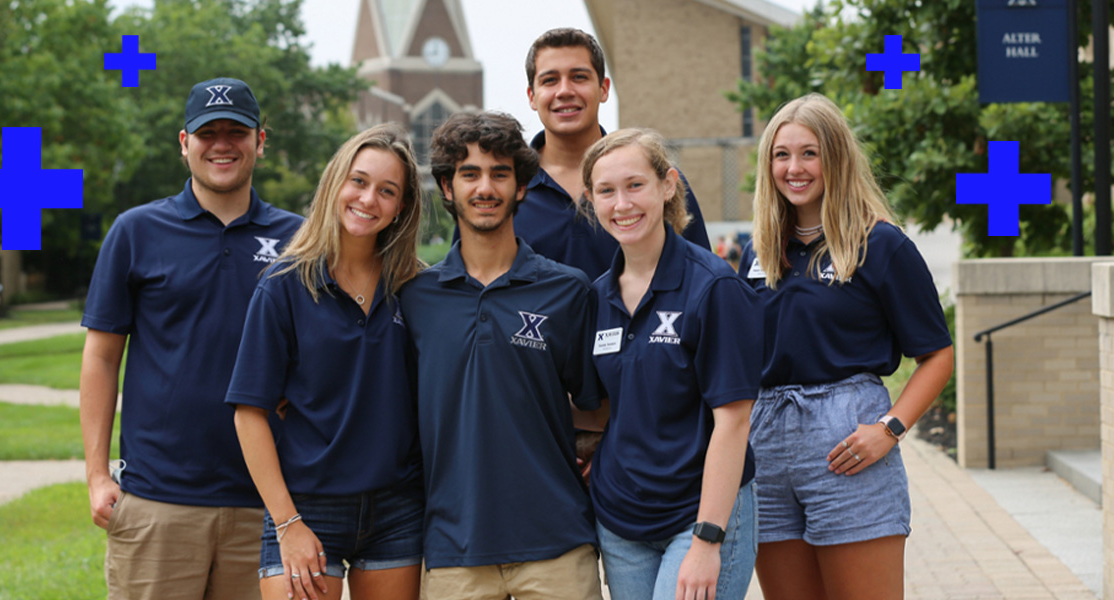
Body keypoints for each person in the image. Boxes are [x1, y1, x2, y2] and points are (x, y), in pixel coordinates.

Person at [80, 77, 304, 600]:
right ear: (185, 143)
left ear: (261, 141)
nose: (222, 144)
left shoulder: (301, 239)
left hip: (268, 506)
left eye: (237, 131)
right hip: (159, 502)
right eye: (208, 132)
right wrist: (96, 475)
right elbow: (101, 357)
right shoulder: (136, 231)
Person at [738, 93, 954, 600]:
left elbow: (937, 354)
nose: (794, 168)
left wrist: (890, 429)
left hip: (846, 440)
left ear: (835, 156)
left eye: (809, 153)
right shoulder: (760, 249)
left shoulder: (880, 245)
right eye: (781, 154)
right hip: (766, 445)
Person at [400, 110, 604, 600]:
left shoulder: (568, 291)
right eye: (469, 174)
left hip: (557, 544)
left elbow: (600, 404)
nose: (485, 188)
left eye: (499, 173)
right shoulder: (414, 298)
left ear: (523, 187)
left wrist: (597, 449)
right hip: (454, 549)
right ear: (447, 189)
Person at [226, 124, 424, 600]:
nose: (368, 198)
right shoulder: (283, 287)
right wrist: (287, 523)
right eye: (358, 181)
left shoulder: (416, 289)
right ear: (335, 184)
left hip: (398, 507)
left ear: (400, 208)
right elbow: (249, 412)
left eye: (387, 190)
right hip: (306, 504)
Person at [581, 128, 761, 600]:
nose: (622, 203)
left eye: (635, 185)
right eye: (606, 191)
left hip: (699, 513)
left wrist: (706, 539)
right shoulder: (596, 297)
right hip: (622, 524)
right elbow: (606, 404)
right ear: (591, 200)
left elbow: (734, 421)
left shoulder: (713, 288)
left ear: (667, 186)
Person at [517, 27, 712, 281]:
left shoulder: (656, 180)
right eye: (550, 80)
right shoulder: (508, 189)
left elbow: (702, 276)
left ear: (604, 89)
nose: (564, 90)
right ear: (532, 96)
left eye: (579, 77)